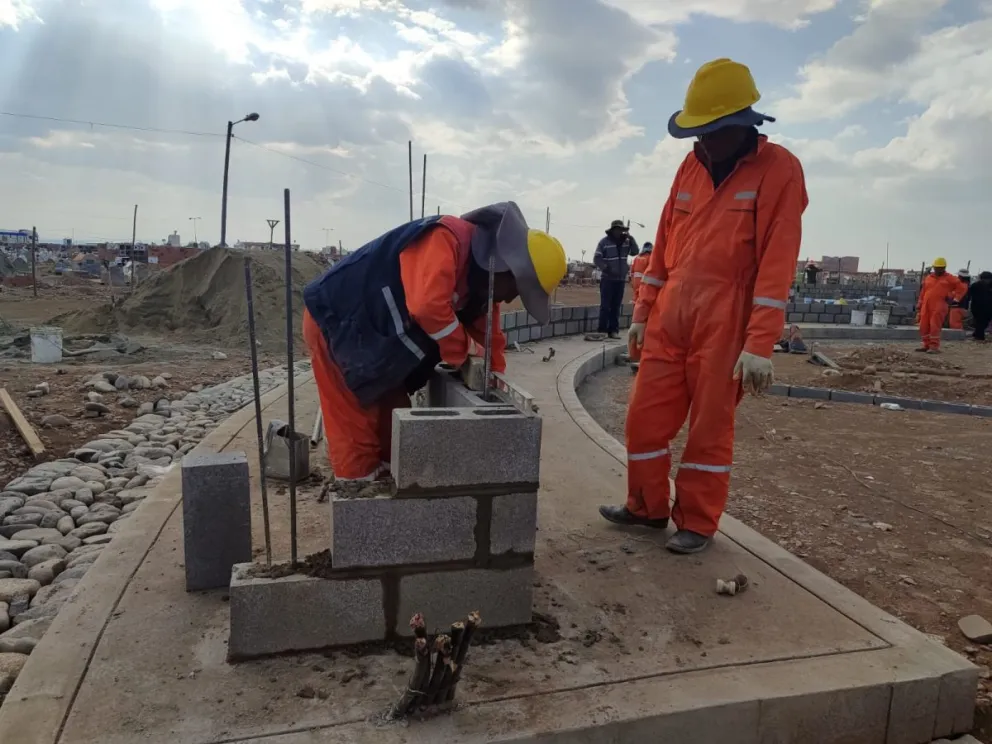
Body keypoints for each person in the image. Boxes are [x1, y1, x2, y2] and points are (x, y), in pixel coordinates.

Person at [598, 57, 808, 554]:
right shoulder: (690, 166)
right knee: (643, 419)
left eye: (712, 131)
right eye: (698, 132)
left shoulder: (779, 169)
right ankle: (646, 506)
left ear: (742, 123)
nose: (703, 141)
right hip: (671, 315)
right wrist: (643, 312)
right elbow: (664, 244)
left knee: (709, 429)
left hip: (727, 320)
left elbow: (777, 261)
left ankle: (696, 519)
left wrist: (760, 343)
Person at [302, 202, 567, 481]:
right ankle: (357, 489)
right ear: (508, 268)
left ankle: (390, 480)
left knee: (394, 426)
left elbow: (490, 340)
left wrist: (495, 385)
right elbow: (428, 307)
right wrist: (462, 350)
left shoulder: (482, 286)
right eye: (518, 289)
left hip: (372, 335)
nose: (512, 298)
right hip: (336, 320)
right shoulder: (446, 239)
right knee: (356, 432)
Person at [594, 219, 639, 338]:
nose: (619, 232)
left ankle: (613, 331)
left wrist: (631, 238)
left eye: (621, 229)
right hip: (607, 279)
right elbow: (597, 258)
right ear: (612, 230)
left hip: (620, 280)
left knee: (616, 306)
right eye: (617, 229)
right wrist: (606, 268)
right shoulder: (604, 242)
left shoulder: (626, 242)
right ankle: (602, 331)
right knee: (605, 306)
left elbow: (635, 251)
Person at [916, 257, 963, 353]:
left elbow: (961, 288)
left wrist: (952, 296)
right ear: (934, 267)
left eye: (941, 268)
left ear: (944, 268)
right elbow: (923, 291)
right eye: (937, 267)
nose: (938, 269)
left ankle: (934, 346)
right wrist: (919, 303)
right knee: (923, 326)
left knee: (934, 326)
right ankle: (926, 345)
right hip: (926, 305)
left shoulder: (950, 278)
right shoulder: (929, 278)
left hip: (939, 306)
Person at [961, 271, 992, 342]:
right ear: (981, 279)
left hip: (989, 308)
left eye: (988, 279)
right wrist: (966, 306)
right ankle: (979, 337)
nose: (986, 281)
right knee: (980, 321)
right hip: (977, 307)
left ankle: (977, 334)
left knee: (985, 322)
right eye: (984, 279)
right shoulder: (975, 285)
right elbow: (968, 296)